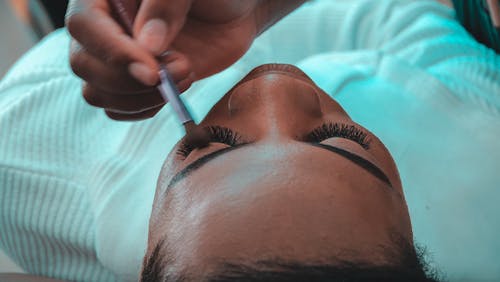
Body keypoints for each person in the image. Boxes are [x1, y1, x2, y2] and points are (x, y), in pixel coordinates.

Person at [0, 0, 499, 281]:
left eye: (209, 145)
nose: (273, 86)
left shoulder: (25, 168)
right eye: (339, 138)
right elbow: (409, 16)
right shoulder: (484, 134)